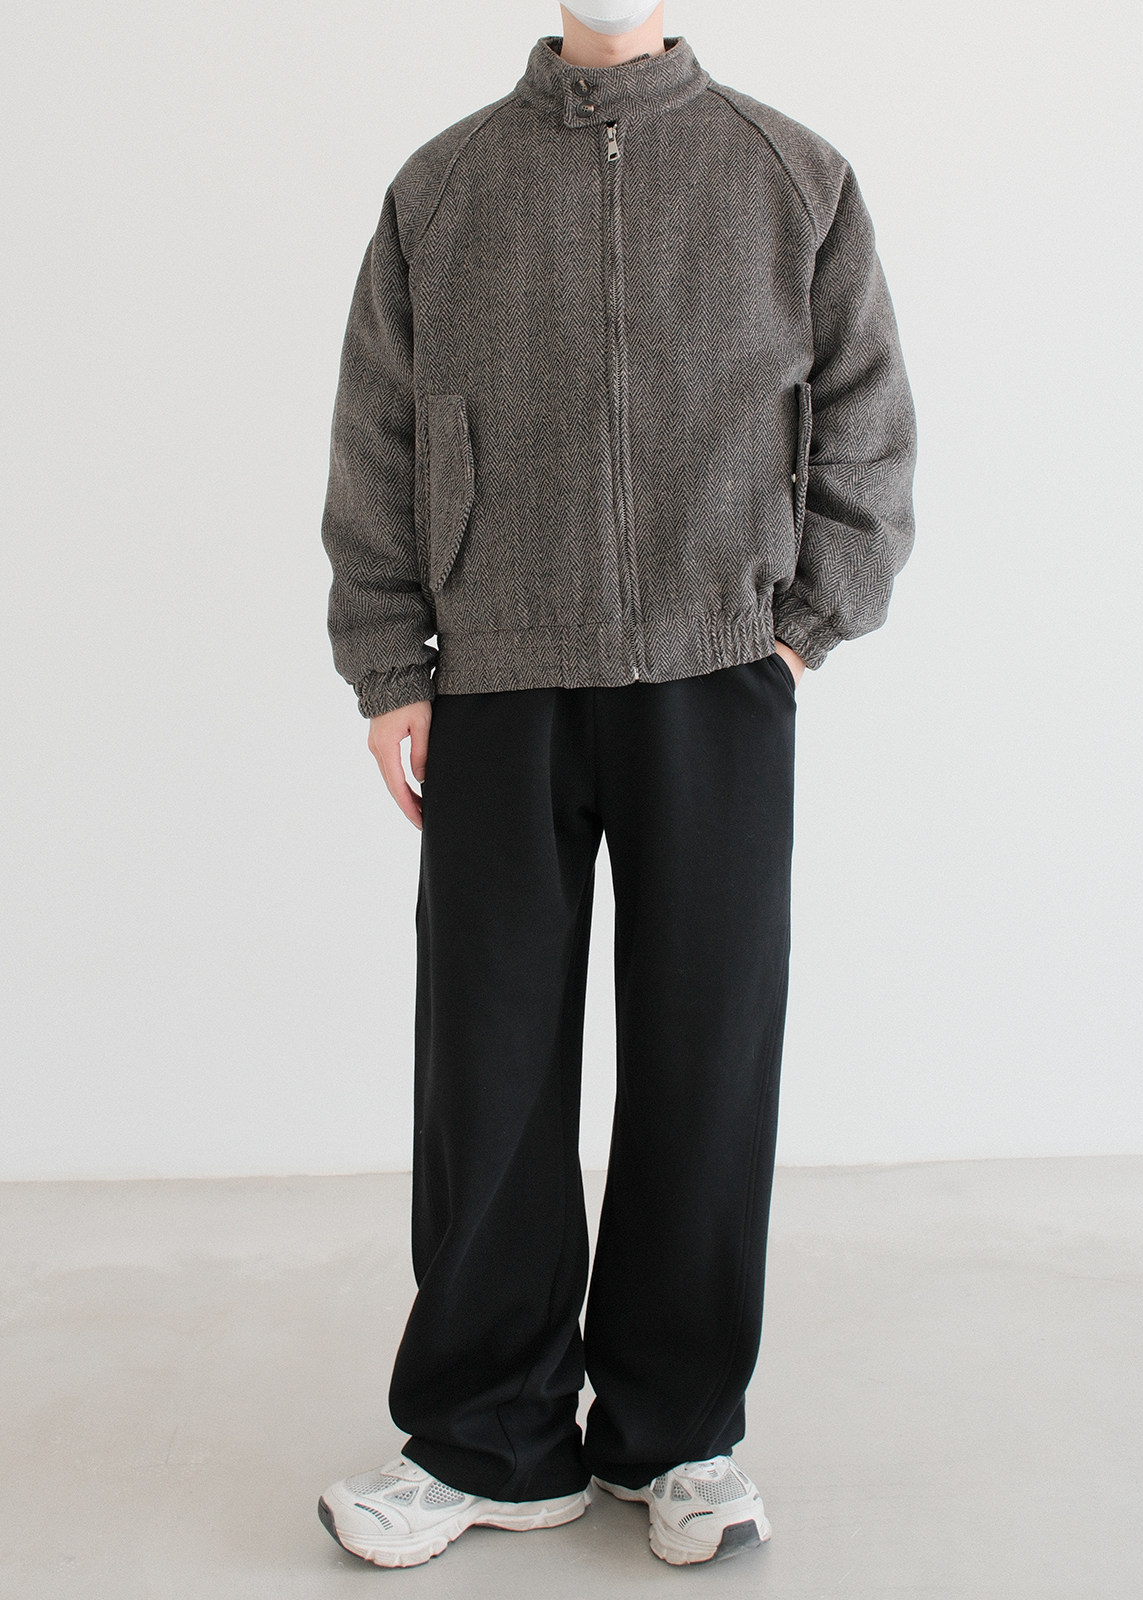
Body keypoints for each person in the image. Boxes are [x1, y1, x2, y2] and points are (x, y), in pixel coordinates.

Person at [316, 0, 916, 1571]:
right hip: (496, 675)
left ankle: (680, 1434)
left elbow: (868, 424)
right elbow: (379, 433)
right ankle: (490, 1440)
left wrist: (800, 631)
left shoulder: (790, 173)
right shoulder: (444, 185)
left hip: (720, 675)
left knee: (706, 1058)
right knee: (488, 1066)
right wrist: (389, 661)